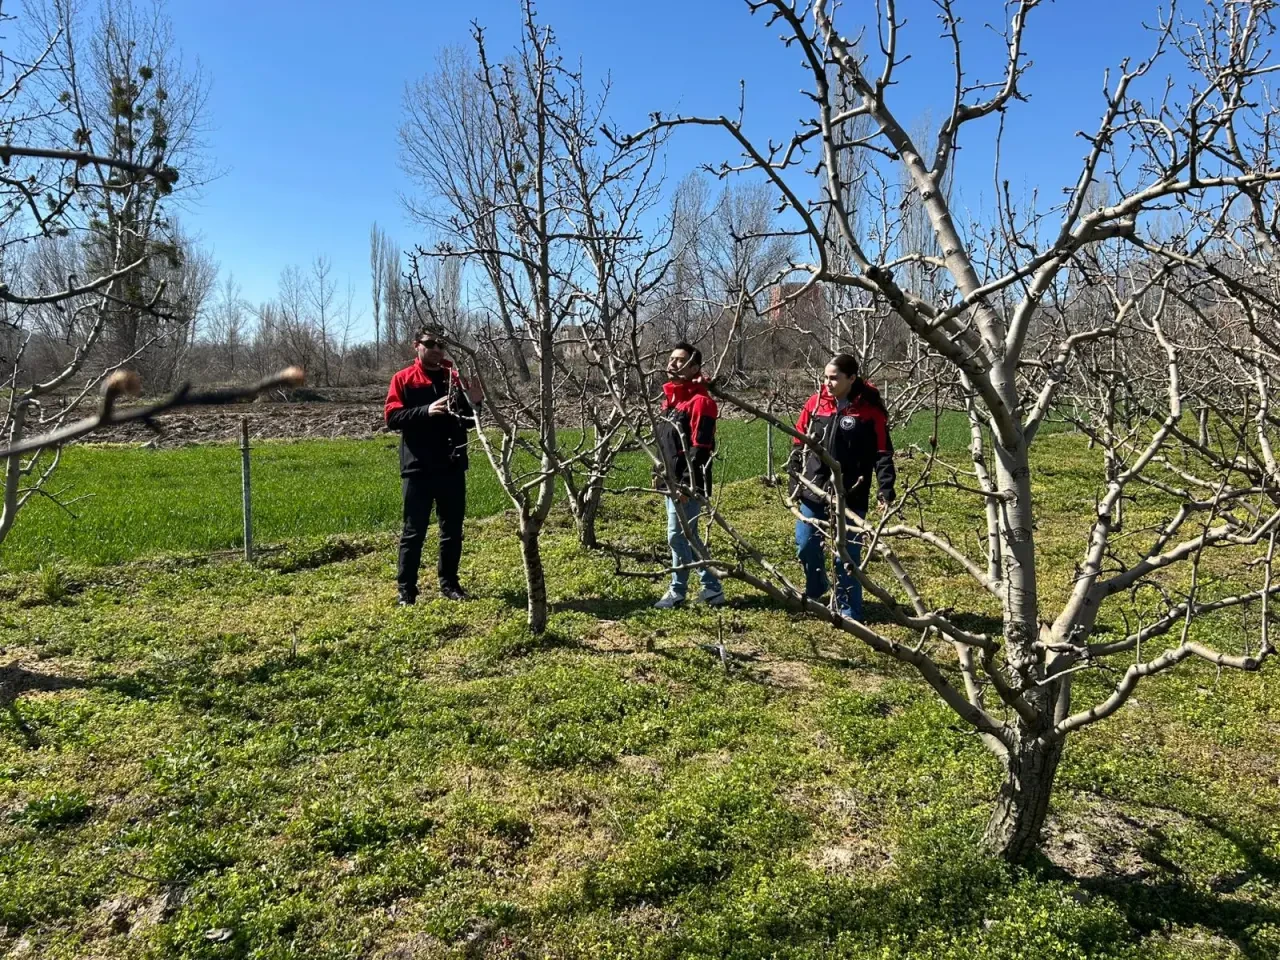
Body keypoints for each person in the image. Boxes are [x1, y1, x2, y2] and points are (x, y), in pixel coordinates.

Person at [788, 353, 896, 621]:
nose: (828, 383)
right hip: (813, 491)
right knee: (805, 545)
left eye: (834, 378)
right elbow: (798, 444)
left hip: (851, 495)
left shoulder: (869, 412)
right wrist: (795, 481)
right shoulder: (815, 405)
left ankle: (848, 610)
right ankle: (817, 586)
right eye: (825, 377)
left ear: (852, 378)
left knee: (846, 556)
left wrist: (885, 489)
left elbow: (883, 453)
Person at [384, 327, 484, 605]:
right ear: (416, 346)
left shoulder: (455, 379)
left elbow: (470, 422)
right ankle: (407, 590)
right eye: (430, 344)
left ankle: (450, 584)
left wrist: (476, 403)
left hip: (452, 465)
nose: (437, 349)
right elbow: (392, 418)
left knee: (452, 529)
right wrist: (426, 411)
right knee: (413, 532)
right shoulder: (403, 379)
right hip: (417, 468)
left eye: (442, 345)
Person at [652, 342, 726, 609]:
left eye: (680, 360)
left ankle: (682, 590)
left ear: (695, 368)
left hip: (687, 484)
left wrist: (686, 484)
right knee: (687, 536)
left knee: (678, 536)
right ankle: (710, 589)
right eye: (671, 358)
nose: (672, 364)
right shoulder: (672, 401)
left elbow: (701, 447)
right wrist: (658, 471)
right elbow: (665, 443)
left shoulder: (701, 402)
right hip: (670, 481)